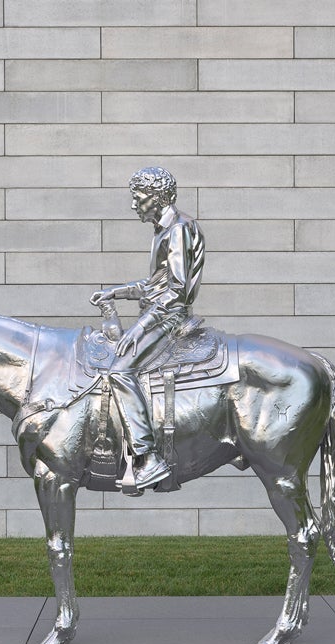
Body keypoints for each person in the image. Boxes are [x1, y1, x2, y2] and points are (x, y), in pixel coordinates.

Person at [89, 166, 205, 490]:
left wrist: (139, 328)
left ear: (155, 197)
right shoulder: (163, 230)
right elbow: (155, 285)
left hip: (169, 319)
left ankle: (147, 457)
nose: (133, 204)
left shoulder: (179, 229)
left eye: (137, 197)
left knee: (120, 371)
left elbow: (176, 291)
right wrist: (117, 292)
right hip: (160, 312)